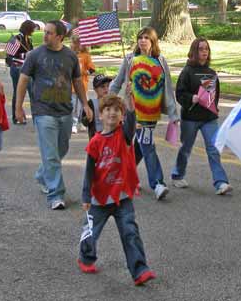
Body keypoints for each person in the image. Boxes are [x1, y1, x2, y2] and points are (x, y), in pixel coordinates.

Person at [77, 92, 156, 286]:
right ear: (100, 115)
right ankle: (86, 258)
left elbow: (130, 122)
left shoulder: (124, 135)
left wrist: (129, 104)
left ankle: (139, 270)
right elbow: (88, 171)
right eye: (107, 110)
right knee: (91, 232)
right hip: (99, 198)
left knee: (130, 232)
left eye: (117, 111)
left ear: (121, 116)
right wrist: (86, 196)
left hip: (122, 196)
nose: (112, 113)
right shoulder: (95, 142)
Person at [15, 20, 93, 210]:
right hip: (43, 112)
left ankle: (43, 175)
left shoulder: (70, 57)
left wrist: (85, 104)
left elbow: (77, 82)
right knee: (51, 155)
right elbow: (23, 81)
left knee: (61, 149)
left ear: (60, 37)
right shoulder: (35, 55)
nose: (45, 35)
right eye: (45, 32)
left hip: (65, 111)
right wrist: (18, 107)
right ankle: (56, 195)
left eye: (49, 33)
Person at [109, 27, 179, 200]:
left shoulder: (160, 61)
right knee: (147, 144)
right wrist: (110, 101)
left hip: (152, 113)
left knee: (140, 147)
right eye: (140, 37)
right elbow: (117, 83)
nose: (143, 40)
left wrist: (173, 114)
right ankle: (158, 184)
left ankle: (124, 175)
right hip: (133, 112)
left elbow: (167, 88)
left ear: (153, 41)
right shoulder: (130, 59)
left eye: (147, 37)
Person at [171, 38, 232, 195]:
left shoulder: (211, 73)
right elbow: (179, 94)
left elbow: (214, 95)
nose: (204, 52)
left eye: (206, 49)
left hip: (209, 118)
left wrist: (213, 106)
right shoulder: (187, 72)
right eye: (201, 49)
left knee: (213, 149)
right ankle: (177, 175)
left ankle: (221, 182)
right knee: (186, 148)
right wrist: (191, 98)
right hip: (190, 118)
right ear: (194, 52)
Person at [8, 20, 35, 125]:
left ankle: (35, 117)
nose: (33, 31)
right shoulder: (17, 38)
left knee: (32, 91)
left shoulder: (29, 39)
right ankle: (16, 116)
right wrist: (25, 55)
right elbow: (10, 56)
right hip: (17, 68)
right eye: (32, 29)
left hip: (27, 68)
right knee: (18, 92)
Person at [70, 35, 95, 134]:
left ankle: (80, 123)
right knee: (74, 106)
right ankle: (74, 124)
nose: (74, 45)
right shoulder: (70, 55)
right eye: (73, 43)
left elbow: (92, 69)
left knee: (81, 106)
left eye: (76, 43)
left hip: (82, 86)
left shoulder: (85, 56)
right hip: (71, 87)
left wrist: (84, 72)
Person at [81, 74, 112, 140]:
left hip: (110, 139)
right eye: (102, 87)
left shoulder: (112, 102)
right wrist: (88, 118)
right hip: (95, 140)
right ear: (95, 89)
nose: (106, 89)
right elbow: (84, 122)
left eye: (107, 86)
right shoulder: (91, 103)